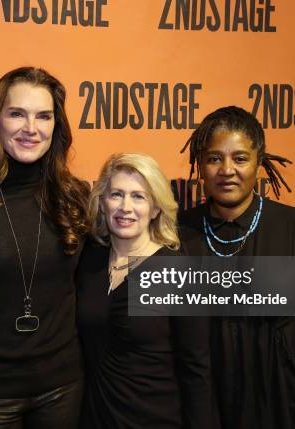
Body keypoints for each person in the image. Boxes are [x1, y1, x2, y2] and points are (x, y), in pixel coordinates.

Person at [179, 106, 295, 429]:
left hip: (285, 410)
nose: (227, 170)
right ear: (200, 165)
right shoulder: (177, 234)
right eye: (214, 158)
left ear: (259, 162)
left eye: (240, 158)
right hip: (202, 412)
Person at [0, 67, 89, 428]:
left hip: (62, 385)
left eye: (43, 116)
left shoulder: (75, 198)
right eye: (17, 113)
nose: (31, 128)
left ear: (57, 125)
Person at [76, 153, 214, 429]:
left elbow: (196, 367)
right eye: (116, 194)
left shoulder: (175, 271)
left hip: (156, 420)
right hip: (93, 419)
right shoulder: (88, 261)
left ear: (155, 208)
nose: (125, 207)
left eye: (139, 196)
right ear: (102, 203)